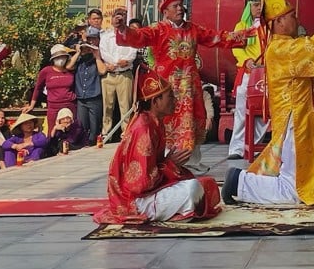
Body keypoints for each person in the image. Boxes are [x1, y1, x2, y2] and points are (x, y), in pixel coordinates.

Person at [222, 0, 314, 207]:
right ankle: (239, 182)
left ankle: (243, 182)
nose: (297, 19)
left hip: (303, 118)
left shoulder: (286, 46)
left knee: (305, 179)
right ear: (278, 22)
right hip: (296, 122)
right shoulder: (281, 49)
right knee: (294, 189)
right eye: (292, 16)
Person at [117, 0, 247, 172]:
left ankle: (192, 161)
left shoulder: (192, 29)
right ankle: (168, 160)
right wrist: (123, 29)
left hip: (190, 86)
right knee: (168, 121)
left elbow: (215, 37)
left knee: (192, 120)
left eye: (180, 5)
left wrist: (245, 36)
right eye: (175, 6)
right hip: (167, 87)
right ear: (165, 11)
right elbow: (138, 36)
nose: (180, 9)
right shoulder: (158, 29)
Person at [93, 70, 223, 224]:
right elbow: (140, 184)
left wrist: (169, 164)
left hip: (148, 192)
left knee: (206, 184)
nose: (175, 101)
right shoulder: (144, 129)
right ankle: (178, 212)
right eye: (170, 97)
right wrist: (171, 165)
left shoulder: (154, 122)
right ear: (155, 101)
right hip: (136, 201)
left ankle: (182, 210)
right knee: (192, 188)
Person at [227, 0, 269, 160]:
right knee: (242, 110)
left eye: (261, 5)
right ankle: (236, 148)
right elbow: (236, 47)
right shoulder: (241, 26)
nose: (258, 8)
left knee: (265, 111)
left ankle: (254, 145)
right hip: (248, 73)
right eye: (255, 5)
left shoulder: (270, 26)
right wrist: (247, 60)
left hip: (267, 73)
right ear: (249, 6)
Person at [99, 6, 137, 142]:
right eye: (117, 16)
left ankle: (125, 132)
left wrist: (125, 61)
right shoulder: (105, 36)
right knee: (107, 105)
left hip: (124, 74)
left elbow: (132, 52)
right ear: (112, 18)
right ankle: (106, 132)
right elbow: (103, 52)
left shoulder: (130, 34)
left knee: (125, 105)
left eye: (122, 16)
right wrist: (116, 63)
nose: (119, 18)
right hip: (109, 74)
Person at [20, 42, 77, 131]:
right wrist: (31, 105)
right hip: (54, 107)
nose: (60, 59)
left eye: (62, 57)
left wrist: (78, 52)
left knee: (70, 131)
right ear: (53, 59)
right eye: (57, 57)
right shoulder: (46, 71)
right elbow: (38, 88)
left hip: (70, 105)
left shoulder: (71, 71)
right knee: (53, 131)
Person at [70, 28, 106, 144]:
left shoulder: (97, 59)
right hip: (81, 97)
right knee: (82, 125)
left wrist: (96, 55)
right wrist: (78, 52)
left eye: (88, 48)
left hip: (94, 97)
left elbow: (102, 71)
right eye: (85, 47)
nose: (86, 50)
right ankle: (83, 144)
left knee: (94, 127)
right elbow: (68, 67)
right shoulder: (79, 61)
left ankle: (92, 145)